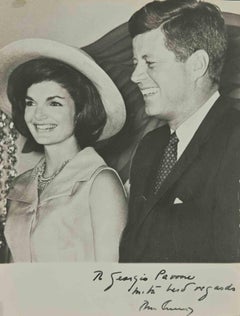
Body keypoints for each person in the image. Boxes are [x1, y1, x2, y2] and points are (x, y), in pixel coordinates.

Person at [119, 0, 240, 262]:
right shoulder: (150, 146)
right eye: (135, 63)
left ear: (197, 64)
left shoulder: (236, 139)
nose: (135, 76)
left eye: (149, 63)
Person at [0, 38, 127, 262]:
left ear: (80, 111)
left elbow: (111, 282)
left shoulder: (99, 183)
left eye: (54, 103)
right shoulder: (20, 186)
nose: (38, 116)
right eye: (31, 103)